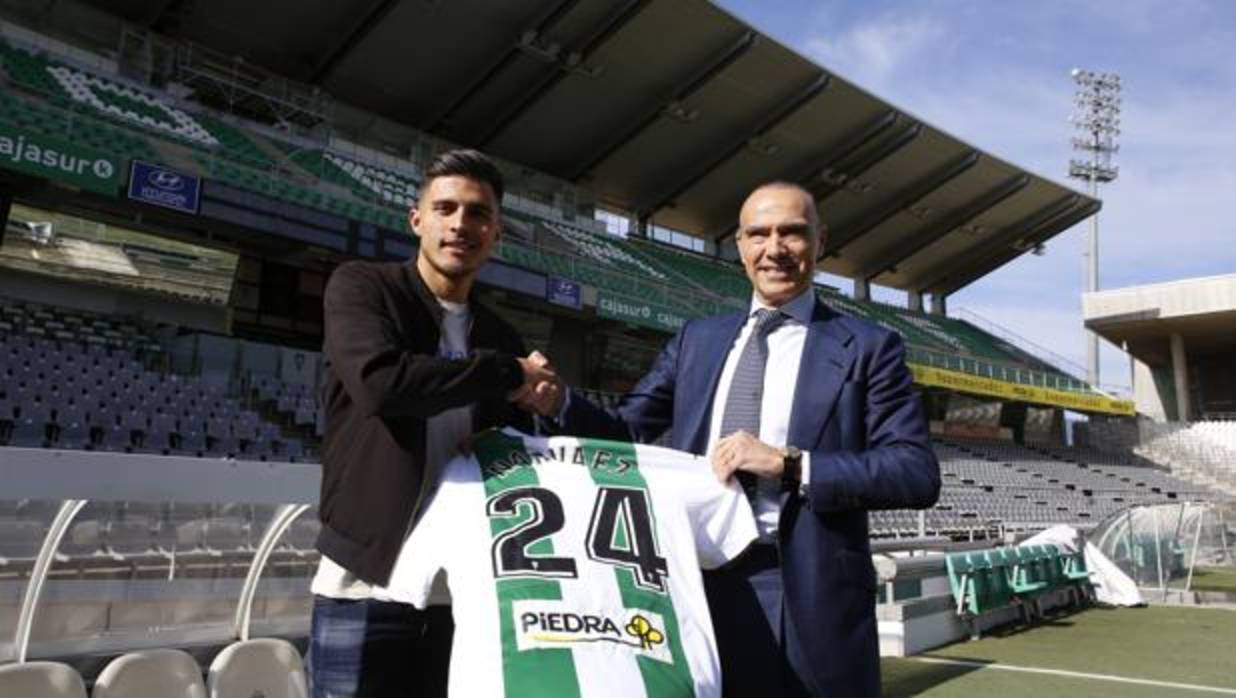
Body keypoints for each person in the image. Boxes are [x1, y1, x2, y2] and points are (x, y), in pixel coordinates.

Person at [524, 182, 940, 697]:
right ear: (740, 246)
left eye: (792, 232)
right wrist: (559, 403)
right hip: (696, 582)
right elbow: (628, 432)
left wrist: (791, 464)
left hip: (804, 590)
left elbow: (914, 472)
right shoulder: (697, 339)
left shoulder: (870, 347)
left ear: (819, 241)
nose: (774, 249)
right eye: (759, 234)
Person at [307, 148, 558, 697]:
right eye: (445, 208)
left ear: (496, 234)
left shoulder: (500, 335)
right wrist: (503, 371)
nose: (460, 224)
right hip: (365, 583)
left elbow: (512, 448)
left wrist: (540, 404)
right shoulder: (363, 287)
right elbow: (383, 385)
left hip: (461, 593)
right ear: (417, 219)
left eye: (478, 213)